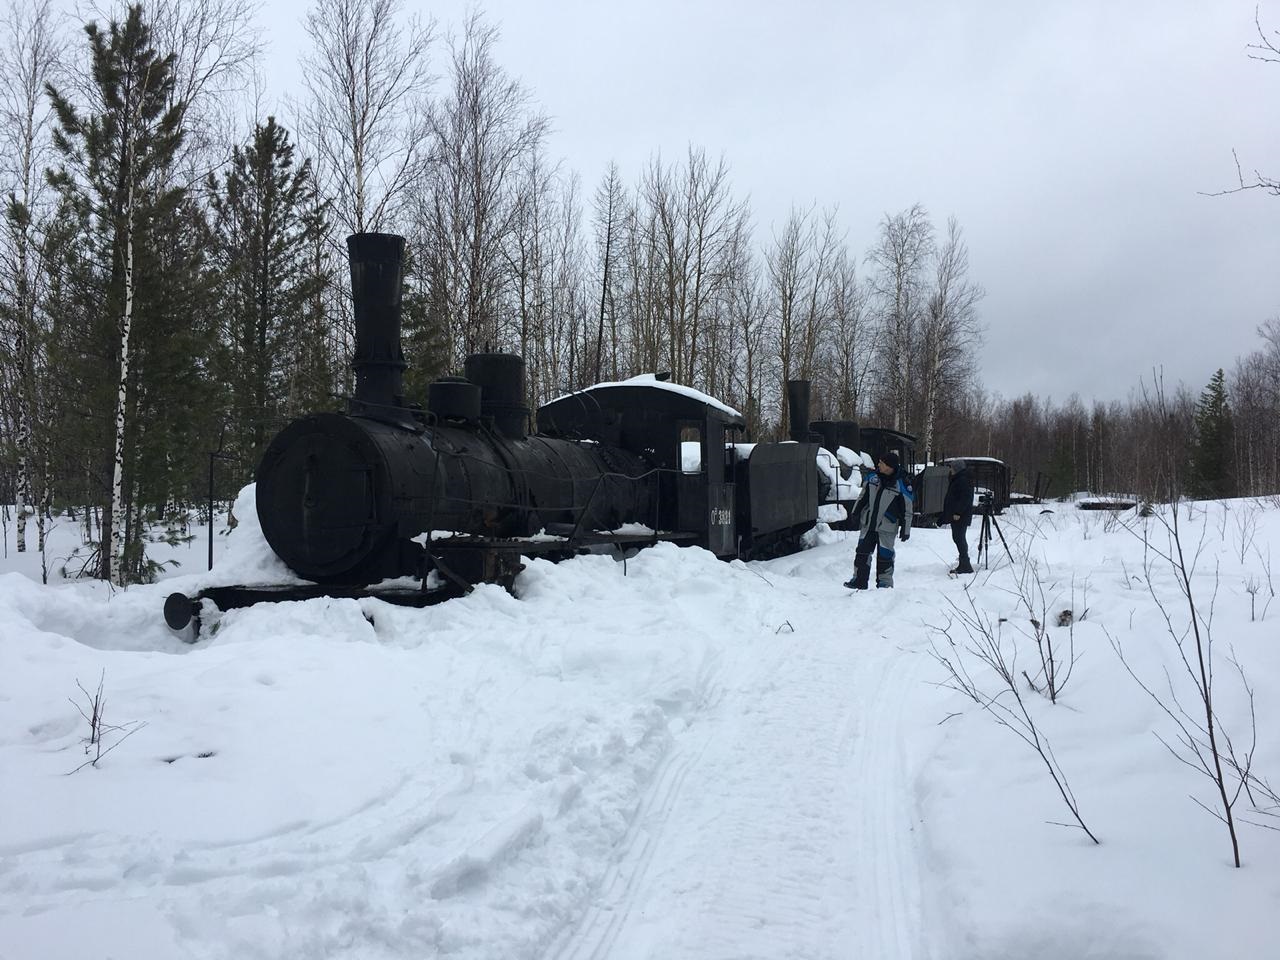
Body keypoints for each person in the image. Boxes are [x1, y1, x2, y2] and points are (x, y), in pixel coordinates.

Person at [844, 451, 912, 590]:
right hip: (868, 524)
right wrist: (855, 512)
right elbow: (862, 497)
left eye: (881, 462)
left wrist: (906, 529)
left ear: (889, 466)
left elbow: (907, 508)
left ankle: (884, 585)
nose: (878, 464)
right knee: (862, 553)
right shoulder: (872, 478)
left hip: (887, 526)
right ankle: (859, 581)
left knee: (885, 556)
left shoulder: (901, 483)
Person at [943, 459, 975, 575]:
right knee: (958, 537)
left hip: (960, 516)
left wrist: (958, 512)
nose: (950, 470)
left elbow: (965, 498)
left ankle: (965, 564)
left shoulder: (963, 480)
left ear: (957, 469)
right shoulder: (958, 479)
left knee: (959, 537)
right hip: (957, 515)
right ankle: (964, 562)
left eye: (951, 468)